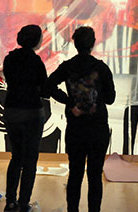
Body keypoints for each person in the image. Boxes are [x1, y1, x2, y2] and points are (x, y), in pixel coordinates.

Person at [44, 26, 116, 212]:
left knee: (74, 174)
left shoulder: (67, 66)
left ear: (75, 44)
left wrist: (69, 101)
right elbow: (110, 99)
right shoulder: (101, 68)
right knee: (94, 176)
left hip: (75, 128)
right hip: (98, 128)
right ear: (93, 44)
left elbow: (48, 86)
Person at [2, 24, 51, 212]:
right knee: (30, 161)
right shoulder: (36, 62)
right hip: (32, 114)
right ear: (36, 41)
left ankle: (10, 202)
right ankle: (24, 204)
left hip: (12, 112)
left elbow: (11, 81)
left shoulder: (9, 59)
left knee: (16, 158)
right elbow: (44, 89)